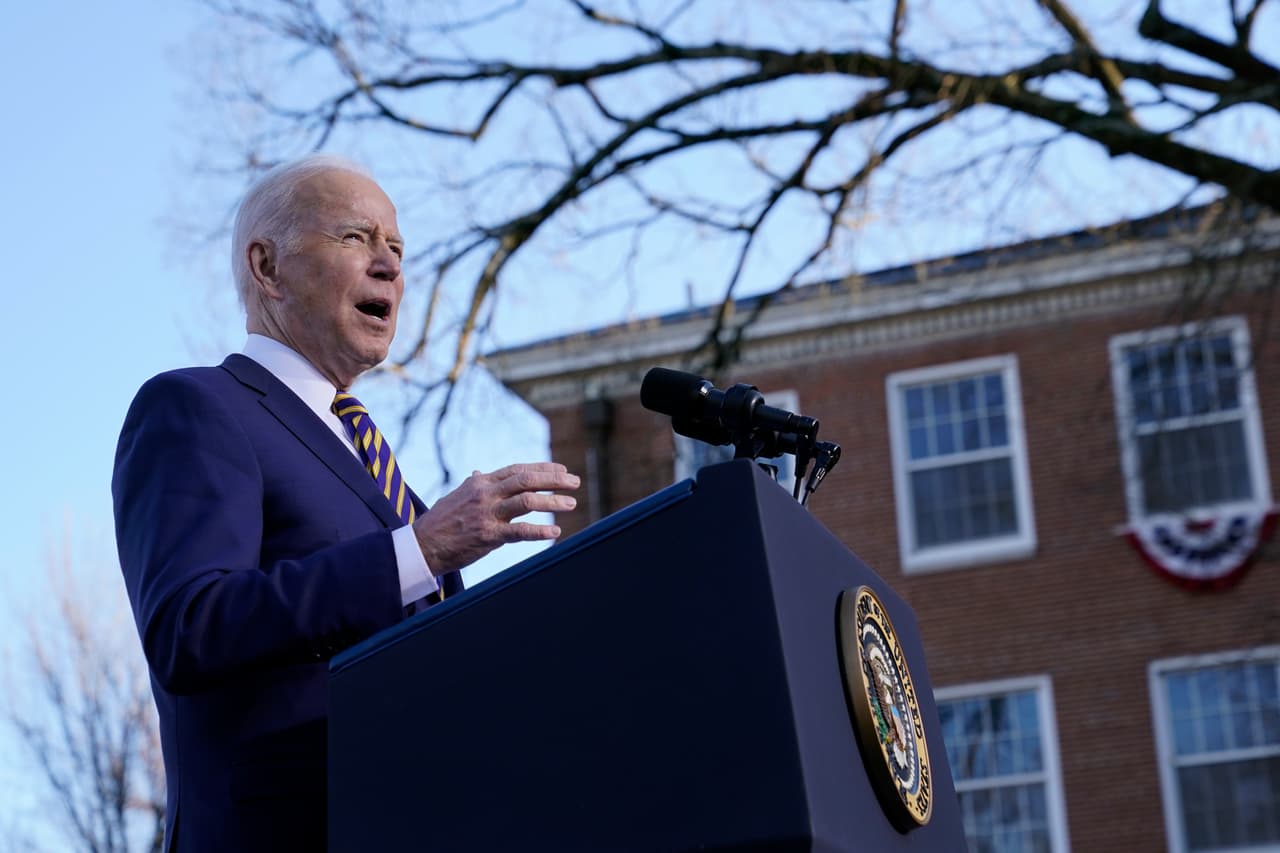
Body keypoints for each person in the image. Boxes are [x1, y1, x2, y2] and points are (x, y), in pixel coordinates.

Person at [112, 154, 580, 852]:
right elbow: (191, 625)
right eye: (356, 238)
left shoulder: (387, 479)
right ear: (267, 267)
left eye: (396, 248)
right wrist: (420, 549)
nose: (390, 265)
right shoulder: (196, 407)